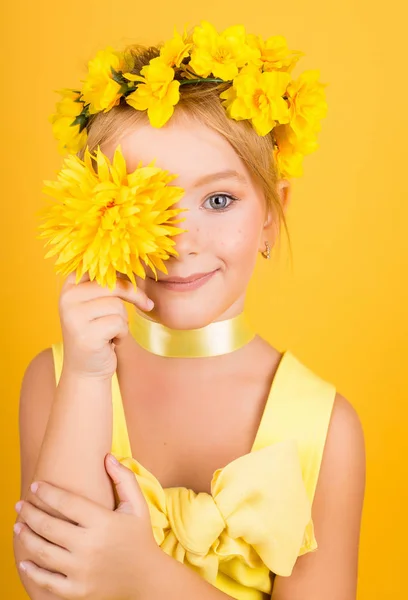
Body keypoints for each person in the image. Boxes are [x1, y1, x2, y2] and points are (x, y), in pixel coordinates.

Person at [13, 23, 366, 600]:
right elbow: (54, 585)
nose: (180, 241)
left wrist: (146, 576)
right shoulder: (54, 381)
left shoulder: (327, 428)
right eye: (147, 200)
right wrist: (86, 374)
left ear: (272, 215)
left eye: (218, 200)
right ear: (97, 211)